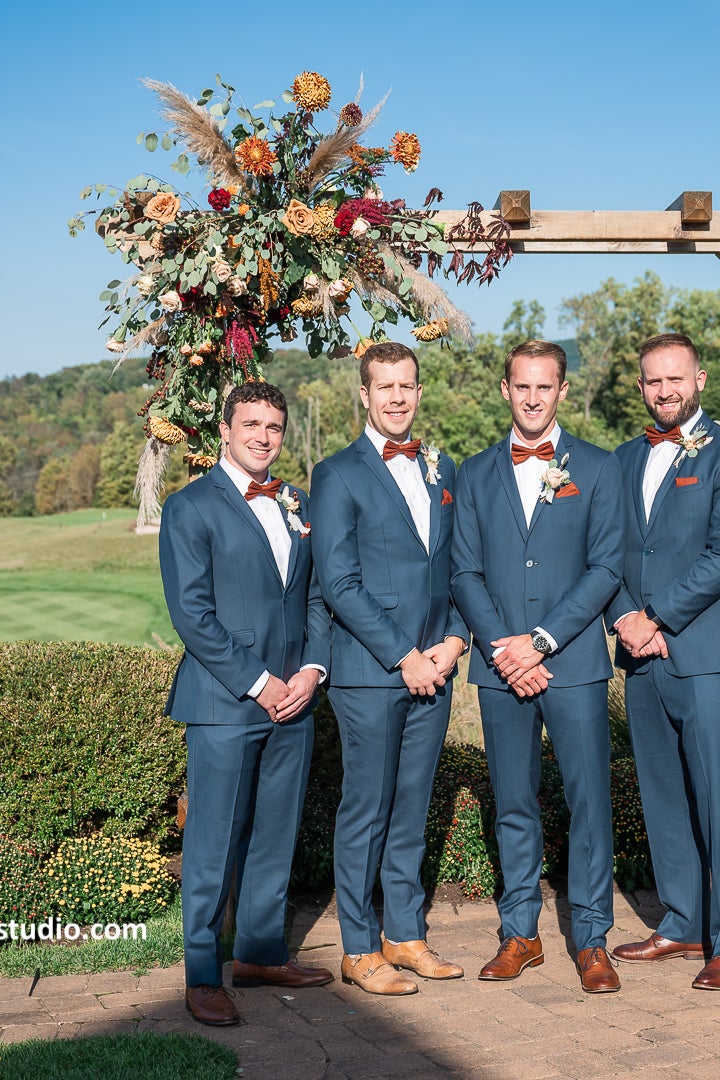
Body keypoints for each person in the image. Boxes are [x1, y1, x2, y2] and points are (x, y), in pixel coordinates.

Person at [449, 340, 626, 994]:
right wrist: (504, 647)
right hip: (499, 668)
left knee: (588, 802)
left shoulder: (600, 470)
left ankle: (591, 939)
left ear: (561, 392)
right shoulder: (471, 473)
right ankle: (519, 933)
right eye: (520, 386)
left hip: (572, 664)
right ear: (504, 389)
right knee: (514, 803)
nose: (531, 398)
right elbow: (463, 570)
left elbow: (606, 567)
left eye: (543, 387)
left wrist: (542, 641)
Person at [158, 381, 332, 1027]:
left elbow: (315, 598)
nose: (263, 436)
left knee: (273, 833)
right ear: (225, 429)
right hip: (227, 702)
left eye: (274, 426)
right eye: (251, 423)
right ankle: (202, 973)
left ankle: (259, 953)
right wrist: (261, 683)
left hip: (297, 701)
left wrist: (312, 671)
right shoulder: (189, 507)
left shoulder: (298, 502)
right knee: (213, 841)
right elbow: (193, 615)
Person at [607, 332, 720, 990]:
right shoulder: (620, 460)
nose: (664, 390)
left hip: (709, 658)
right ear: (640, 386)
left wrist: (657, 617)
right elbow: (606, 550)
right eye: (652, 381)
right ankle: (680, 921)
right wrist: (623, 617)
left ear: (699, 379)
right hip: (643, 659)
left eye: (675, 378)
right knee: (663, 798)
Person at [308, 340, 468, 996]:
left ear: (418, 392)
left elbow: (458, 566)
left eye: (407, 386)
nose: (397, 398)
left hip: (436, 666)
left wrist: (454, 642)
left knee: (411, 808)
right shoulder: (337, 472)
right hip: (374, 671)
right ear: (364, 396)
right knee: (366, 809)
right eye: (385, 387)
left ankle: (403, 935)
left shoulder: (442, 465)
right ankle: (356, 946)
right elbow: (339, 583)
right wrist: (403, 656)